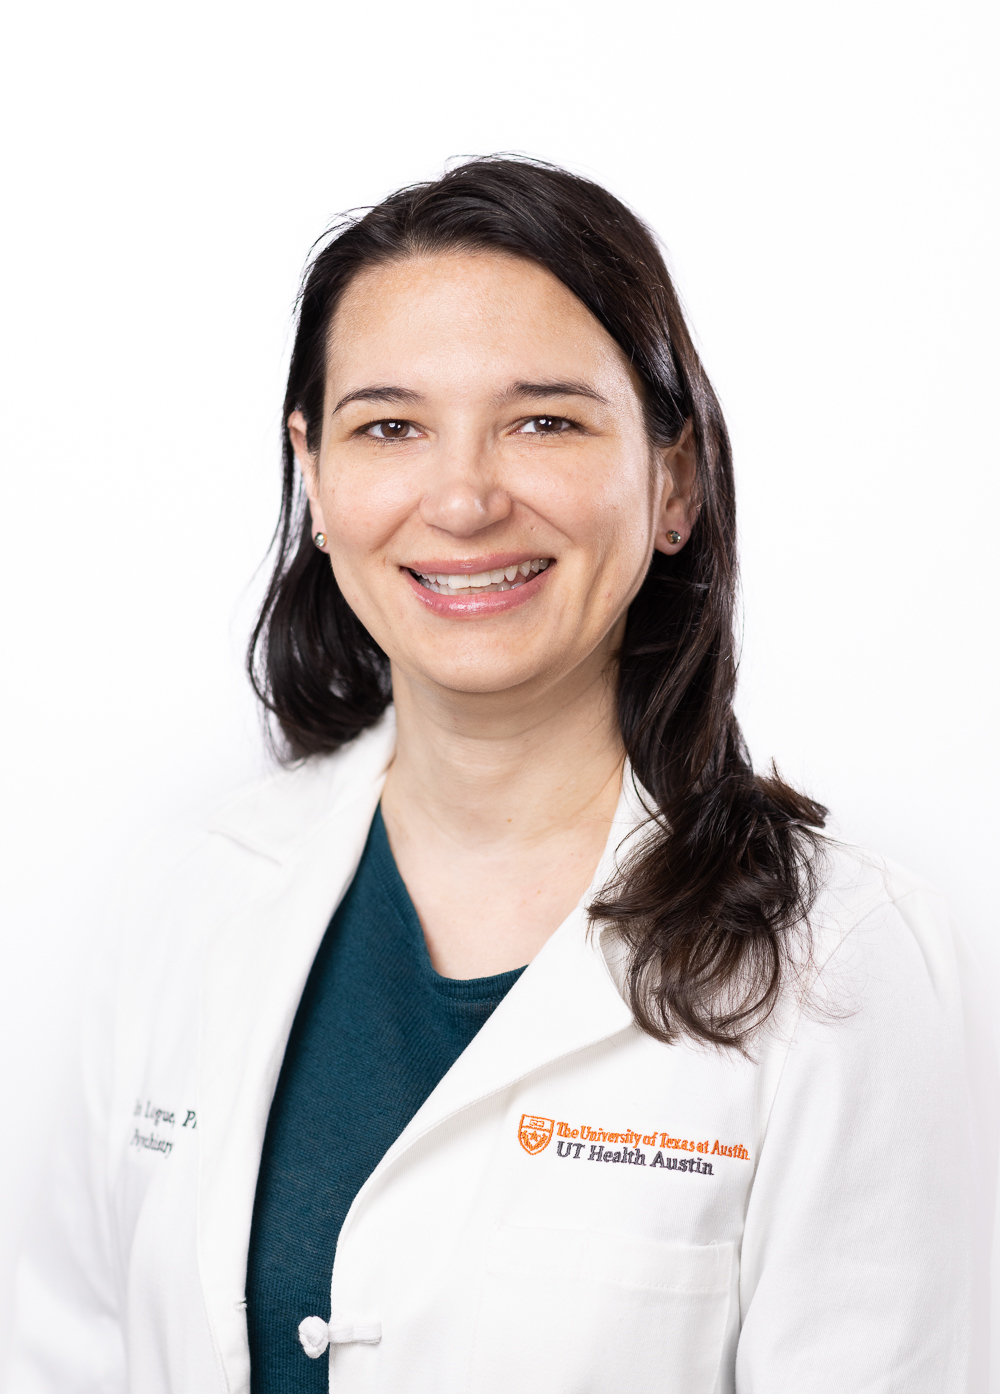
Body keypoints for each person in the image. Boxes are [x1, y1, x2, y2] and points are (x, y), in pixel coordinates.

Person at [8, 157, 996, 1394]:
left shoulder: (841, 962)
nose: (465, 497)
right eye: (389, 426)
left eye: (544, 420)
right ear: (314, 476)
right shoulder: (185, 898)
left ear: (672, 480)